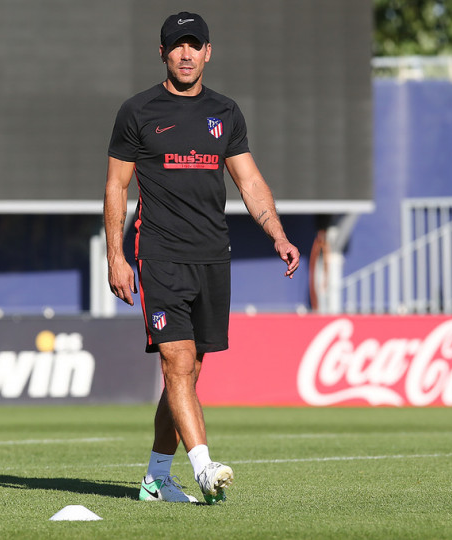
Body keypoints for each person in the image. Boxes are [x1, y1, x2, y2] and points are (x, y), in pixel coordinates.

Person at [104, 12, 300, 504]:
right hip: (160, 256)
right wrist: (116, 254)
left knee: (187, 375)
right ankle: (204, 467)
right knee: (177, 363)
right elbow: (116, 186)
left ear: (208, 51)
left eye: (195, 46)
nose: (186, 54)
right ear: (164, 53)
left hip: (213, 257)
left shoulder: (226, 112)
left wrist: (277, 232)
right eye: (177, 46)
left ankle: (154, 479)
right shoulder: (138, 111)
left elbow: (249, 181)